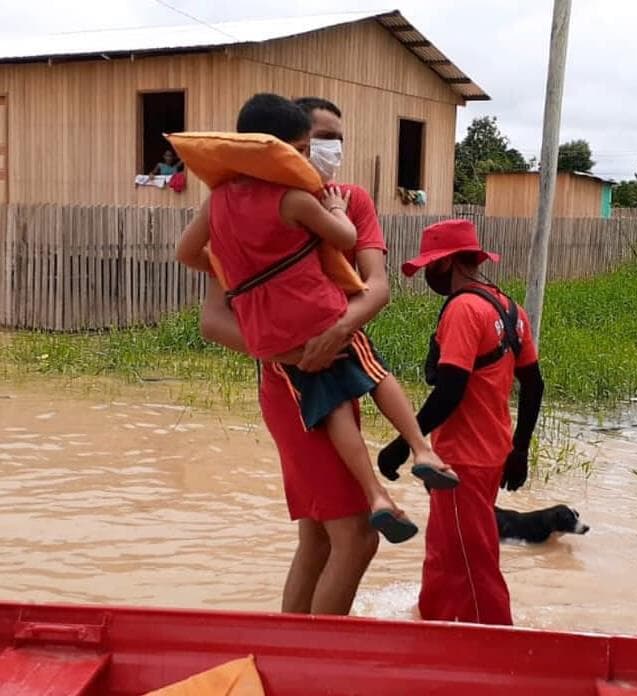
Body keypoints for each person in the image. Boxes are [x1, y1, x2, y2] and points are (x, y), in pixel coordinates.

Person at [177, 93, 456, 547]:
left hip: (300, 339)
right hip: (293, 354)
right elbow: (213, 321)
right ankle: (419, 454)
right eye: (316, 141)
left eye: (335, 140)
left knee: (321, 531)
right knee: (351, 536)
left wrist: (240, 276)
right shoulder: (300, 201)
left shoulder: (223, 203)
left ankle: (378, 495)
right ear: (284, 148)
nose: (326, 151)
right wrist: (301, 341)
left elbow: (377, 285)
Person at [377, 219, 545, 625]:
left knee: (472, 562)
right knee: (447, 555)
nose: (427, 277)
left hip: (462, 462)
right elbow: (534, 385)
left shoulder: (463, 309)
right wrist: (519, 450)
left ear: (447, 263)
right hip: (492, 454)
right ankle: (432, 630)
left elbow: (449, 390)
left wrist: (403, 444)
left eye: (430, 267)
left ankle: (496, 646)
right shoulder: (509, 308)